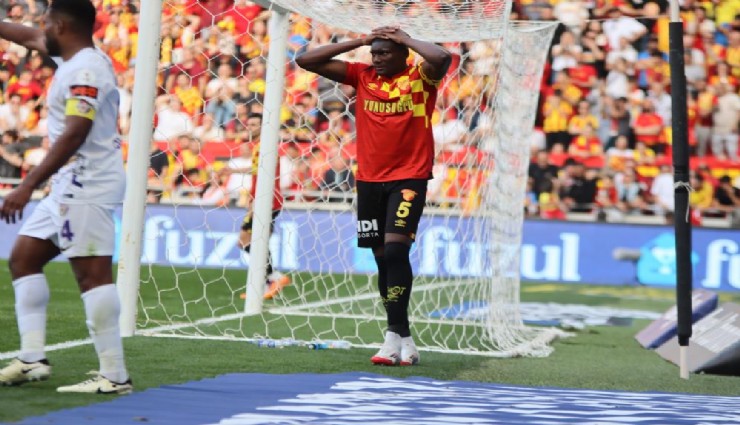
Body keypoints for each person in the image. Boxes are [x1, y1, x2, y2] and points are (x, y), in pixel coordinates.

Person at [296, 26, 452, 366]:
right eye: (374, 53)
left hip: (409, 176)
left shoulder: (420, 77)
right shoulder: (362, 75)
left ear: (403, 55)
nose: (376, 58)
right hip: (368, 180)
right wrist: (361, 41)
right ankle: (403, 338)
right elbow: (305, 60)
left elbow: (442, 56)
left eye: (384, 52)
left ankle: (391, 336)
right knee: (382, 259)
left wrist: (404, 38)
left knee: (396, 250)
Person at [0, 0, 132, 394]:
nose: (40, 31)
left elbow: (76, 131)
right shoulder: (74, 57)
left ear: (60, 25)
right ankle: (32, 359)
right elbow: (30, 37)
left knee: (91, 275)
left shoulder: (85, 71)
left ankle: (115, 376)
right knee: (24, 258)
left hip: (88, 182)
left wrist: (27, 185)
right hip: (69, 183)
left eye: (45, 24)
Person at [234, 113, 291, 300]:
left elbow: (262, 172)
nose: (249, 127)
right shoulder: (259, 147)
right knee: (250, 241)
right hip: (261, 200)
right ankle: (270, 281)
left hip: (267, 201)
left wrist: (231, 170)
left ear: (263, 126)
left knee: (247, 241)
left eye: (254, 124)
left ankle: (273, 278)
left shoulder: (265, 147)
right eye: (248, 124)